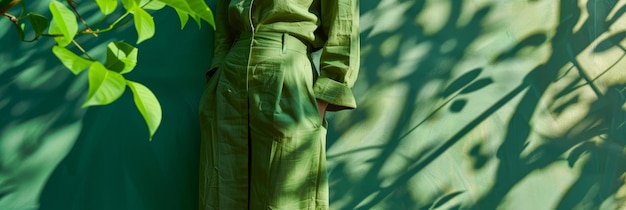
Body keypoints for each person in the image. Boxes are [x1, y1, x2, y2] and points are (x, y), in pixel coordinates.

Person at [198, 0, 359, 209]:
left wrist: (321, 102)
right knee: (222, 189)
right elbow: (222, 20)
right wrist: (218, 71)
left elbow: (344, 26)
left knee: (285, 195)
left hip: (289, 74)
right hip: (231, 77)